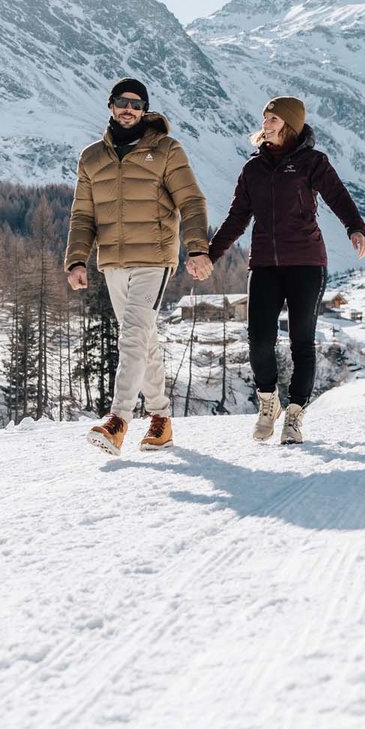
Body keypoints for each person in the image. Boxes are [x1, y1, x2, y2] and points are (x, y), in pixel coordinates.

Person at [207, 97, 365, 444]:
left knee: (301, 343)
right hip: (264, 264)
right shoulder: (253, 169)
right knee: (259, 341)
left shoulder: (313, 162)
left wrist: (355, 227)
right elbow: (237, 217)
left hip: (307, 264)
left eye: (273, 118)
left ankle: (295, 415)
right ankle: (269, 402)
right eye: (264, 117)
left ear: (289, 125)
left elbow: (339, 197)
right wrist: (210, 254)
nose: (265, 123)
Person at [68, 78, 213, 454]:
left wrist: (196, 248)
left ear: (145, 110)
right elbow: (82, 215)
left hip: (154, 258)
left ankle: (118, 421)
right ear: (111, 106)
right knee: (144, 338)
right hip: (113, 261)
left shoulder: (166, 150)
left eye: (136, 103)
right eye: (121, 101)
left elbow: (192, 202)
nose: (128, 108)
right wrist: (77, 259)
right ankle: (161, 419)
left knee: (132, 334)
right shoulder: (92, 157)